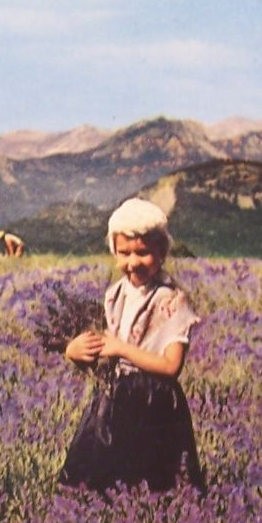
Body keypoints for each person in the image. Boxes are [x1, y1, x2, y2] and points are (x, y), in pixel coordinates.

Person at [58, 198, 205, 493]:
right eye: (123, 253)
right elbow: (106, 352)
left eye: (143, 252)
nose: (133, 262)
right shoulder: (115, 294)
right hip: (115, 399)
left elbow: (170, 366)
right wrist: (73, 352)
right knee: (102, 476)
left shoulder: (171, 300)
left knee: (154, 479)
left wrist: (121, 349)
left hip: (155, 404)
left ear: (162, 252)